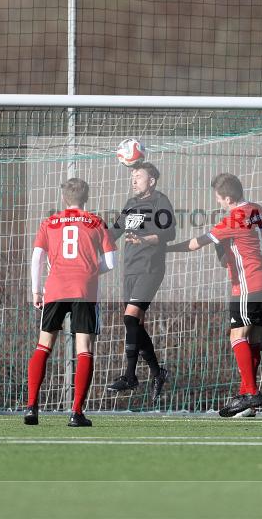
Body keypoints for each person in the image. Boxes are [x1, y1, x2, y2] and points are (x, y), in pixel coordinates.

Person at [167, 173, 262, 417]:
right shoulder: (257, 209)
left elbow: (195, 244)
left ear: (227, 198)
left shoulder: (234, 219)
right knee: (254, 340)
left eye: (218, 198)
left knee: (237, 336)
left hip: (248, 284)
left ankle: (251, 393)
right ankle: (246, 395)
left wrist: (165, 249)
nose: (217, 202)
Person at [25, 178, 117, 427]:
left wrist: (36, 290)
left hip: (55, 287)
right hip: (84, 289)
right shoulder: (96, 222)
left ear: (63, 198)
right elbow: (110, 262)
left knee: (44, 344)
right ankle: (76, 413)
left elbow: (37, 258)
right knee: (84, 347)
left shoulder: (49, 222)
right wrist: (89, 272)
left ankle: (31, 407)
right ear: (86, 198)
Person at [106, 162, 175, 405]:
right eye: (132, 176)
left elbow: (169, 233)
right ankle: (157, 372)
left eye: (139, 176)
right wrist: (91, 232)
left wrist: (145, 240)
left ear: (152, 180)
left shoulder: (160, 201)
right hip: (130, 270)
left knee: (129, 318)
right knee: (135, 324)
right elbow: (114, 232)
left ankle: (130, 376)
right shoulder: (130, 204)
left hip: (150, 268)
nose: (134, 180)